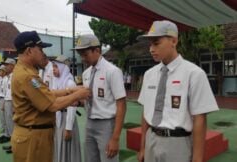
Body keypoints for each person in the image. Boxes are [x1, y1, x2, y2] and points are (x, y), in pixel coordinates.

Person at [137, 20, 219, 162]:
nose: (151, 49)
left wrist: (197, 158)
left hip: (178, 143)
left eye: (156, 43)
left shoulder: (193, 73)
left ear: (174, 41)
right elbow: (146, 112)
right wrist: (143, 146)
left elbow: (200, 118)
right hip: (151, 138)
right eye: (150, 44)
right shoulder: (149, 74)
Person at [11, 31, 90, 162]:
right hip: (33, 138)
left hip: (34, 134)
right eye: (40, 49)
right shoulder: (28, 76)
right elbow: (52, 105)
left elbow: (45, 94)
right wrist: (78, 95)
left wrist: (69, 90)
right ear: (30, 51)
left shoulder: (26, 71)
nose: (43, 53)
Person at [74, 34, 127, 162]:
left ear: (97, 50)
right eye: (80, 55)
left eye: (85, 54)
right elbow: (89, 99)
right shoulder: (86, 74)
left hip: (107, 125)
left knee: (109, 159)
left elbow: (121, 105)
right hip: (89, 123)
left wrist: (115, 138)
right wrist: (78, 102)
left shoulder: (112, 71)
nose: (82, 58)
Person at [52, 60, 81, 162]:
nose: (53, 70)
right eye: (53, 67)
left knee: (67, 147)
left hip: (66, 119)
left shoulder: (70, 83)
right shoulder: (56, 81)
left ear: (63, 68)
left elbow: (72, 108)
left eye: (56, 67)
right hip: (58, 118)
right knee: (59, 145)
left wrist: (68, 128)